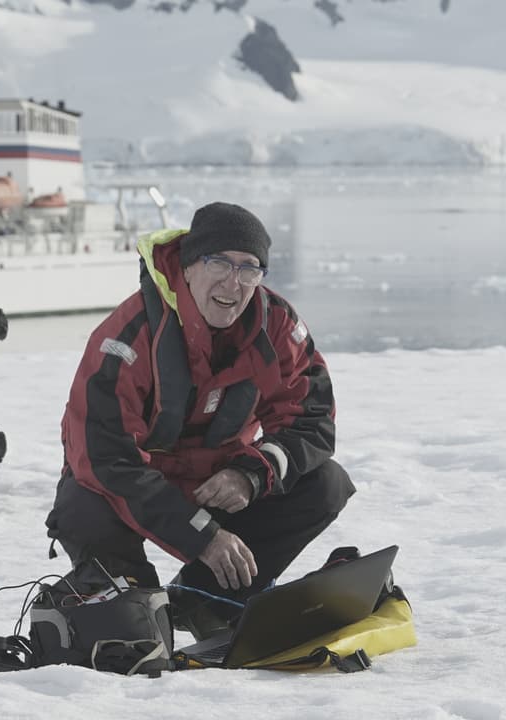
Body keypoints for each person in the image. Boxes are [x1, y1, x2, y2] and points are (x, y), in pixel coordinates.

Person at [45, 201, 355, 638]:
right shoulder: (126, 336)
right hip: (133, 484)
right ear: (188, 267)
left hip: (218, 479)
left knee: (325, 483)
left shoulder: (278, 327)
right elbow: (105, 458)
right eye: (220, 263)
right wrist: (203, 537)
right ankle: (137, 610)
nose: (234, 282)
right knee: (82, 508)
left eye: (250, 269)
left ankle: (205, 601)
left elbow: (312, 420)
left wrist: (251, 474)